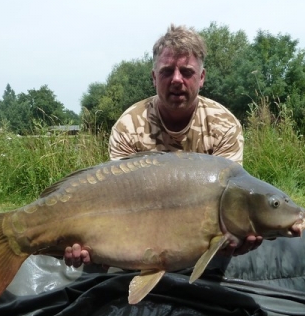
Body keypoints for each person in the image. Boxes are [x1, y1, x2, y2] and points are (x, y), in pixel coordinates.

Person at [64, 24, 262, 268]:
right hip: (135, 234)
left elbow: (232, 203)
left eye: (187, 72)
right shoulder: (129, 125)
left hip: (199, 242)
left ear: (201, 78)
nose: (177, 80)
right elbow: (115, 200)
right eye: (167, 71)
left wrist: (237, 231)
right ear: (154, 77)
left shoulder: (224, 125)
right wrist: (86, 239)